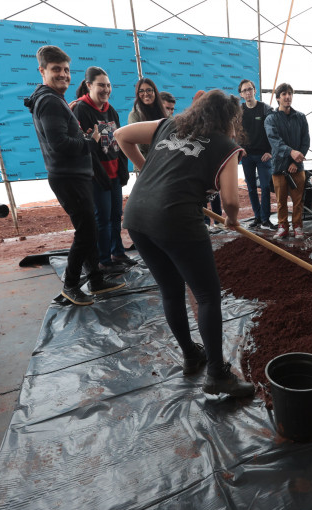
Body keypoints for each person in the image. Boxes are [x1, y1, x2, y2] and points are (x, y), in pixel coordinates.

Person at [114, 90, 254, 398]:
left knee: (171, 290)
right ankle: (217, 374)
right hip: (175, 220)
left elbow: (121, 135)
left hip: (137, 216)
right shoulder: (226, 147)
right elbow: (230, 200)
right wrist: (231, 219)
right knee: (207, 296)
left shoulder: (168, 124)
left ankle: (192, 355)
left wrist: (146, 167)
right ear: (229, 119)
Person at [24, 45, 126, 306]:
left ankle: (95, 278)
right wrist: (89, 142)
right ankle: (71, 284)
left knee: (89, 230)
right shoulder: (49, 101)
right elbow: (60, 144)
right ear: (42, 71)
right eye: (56, 69)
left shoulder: (51, 98)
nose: (63, 75)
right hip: (68, 176)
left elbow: (63, 139)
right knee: (86, 231)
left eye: (67, 70)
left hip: (74, 175)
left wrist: (83, 140)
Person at [71, 66, 135, 270]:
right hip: (96, 177)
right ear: (89, 85)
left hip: (113, 174)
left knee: (116, 216)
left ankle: (117, 253)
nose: (106, 89)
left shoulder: (109, 109)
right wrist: (98, 174)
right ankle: (103, 259)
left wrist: (123, 168)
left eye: (108, 85)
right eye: (101, 85)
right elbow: (85, 147)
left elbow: (114, 143)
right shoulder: (81, 109)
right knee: (103, 219)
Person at [264, 83, 309, 239]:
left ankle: (298, 227)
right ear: (278, 98)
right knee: (281, 201)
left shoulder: (301, 117)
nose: (287, 96)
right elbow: (275, 141)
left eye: (289, 93)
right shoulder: (270, 119)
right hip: (278, 167)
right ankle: (283, 226)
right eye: (283, 94)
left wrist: (295, 162)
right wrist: (291, 152)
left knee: (298, 201)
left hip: (297, 167)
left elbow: (306, 141)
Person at [238, 79, 275, 230]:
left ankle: (266, 219)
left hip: (263, 156)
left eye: (249, 89)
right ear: (241, 94)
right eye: (244, 91)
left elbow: (274, 131)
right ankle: (258, 217)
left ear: (255, 90)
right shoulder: (239, 111)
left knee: (266, 187)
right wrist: (240, 148)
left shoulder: (265, 109)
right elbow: (235, 132)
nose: (248, 93)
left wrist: (270, 151)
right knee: (251, 188)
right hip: (247, 156)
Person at [127, 77, 167, 158]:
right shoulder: (135, 115)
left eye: (149, 90)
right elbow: (138, 146)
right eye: (141, 91)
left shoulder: (165, 113)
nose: (145, 94)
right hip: (145, 164)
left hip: (164, 162)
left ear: (154, 92)